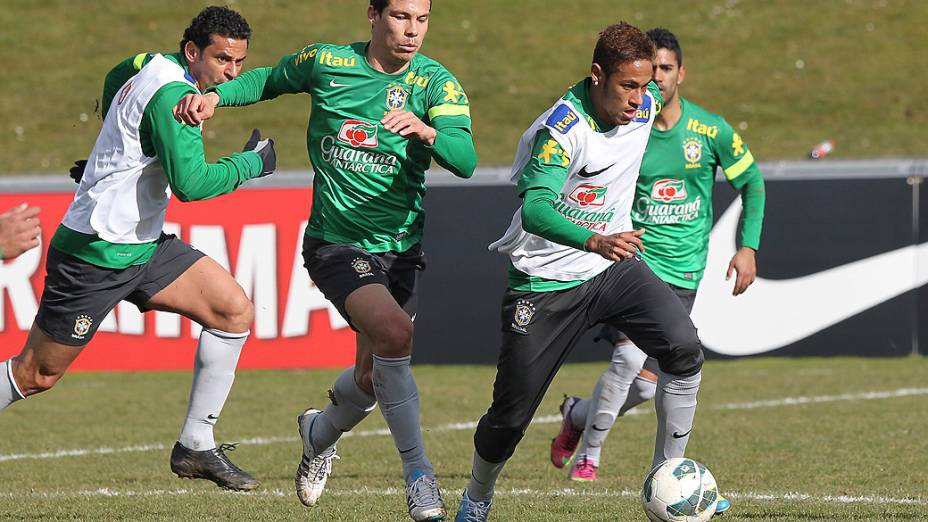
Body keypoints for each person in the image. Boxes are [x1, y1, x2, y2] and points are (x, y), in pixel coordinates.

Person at [173, 0, 476, 519]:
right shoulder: (328, 63)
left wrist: (428, 132)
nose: (412, 31)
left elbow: (465, 159)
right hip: (335, 244)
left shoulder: (435, 84)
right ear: (373, 15)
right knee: (396, 336)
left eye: (422, 19)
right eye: (401, 17)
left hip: (400, 250)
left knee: (370, 378)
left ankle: (318, 432)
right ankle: (420, 477)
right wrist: (215, 96)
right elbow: (268, 79)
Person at [0, 6, 277, 491]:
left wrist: (110, 143)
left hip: (143, 246)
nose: (231, 72)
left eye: (239, 62)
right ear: (193, 52)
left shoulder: (154, 62)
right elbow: (191, 185)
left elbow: (117, 72)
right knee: (36, 374)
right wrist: (253, 164)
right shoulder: (176, 98)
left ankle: (196, 444)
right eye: (222, 60)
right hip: (97, 252)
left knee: (233, 311)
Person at [455, 22, 708, 521]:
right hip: (545, 282)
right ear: (597, 76)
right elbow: (536, 210)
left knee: (683, 348)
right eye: (628, 86)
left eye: (648, 84)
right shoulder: (560, 131)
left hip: (611, 268)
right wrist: (594, 237)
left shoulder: (649, 104)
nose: (640, 99)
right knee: (509, 417)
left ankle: (670, 482)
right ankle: (477, 496)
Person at [548, 27, 766, 515]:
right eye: (651, 71)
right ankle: (593, 457)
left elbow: (752, 181)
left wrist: (746, 246)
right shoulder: (625, 129)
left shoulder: (710, 131)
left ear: (680, 73)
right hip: (633, 264)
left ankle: (578, 416)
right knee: (627, 363)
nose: (658, 79)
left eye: (667, 69)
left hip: (687, 272)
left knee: (648, 385)